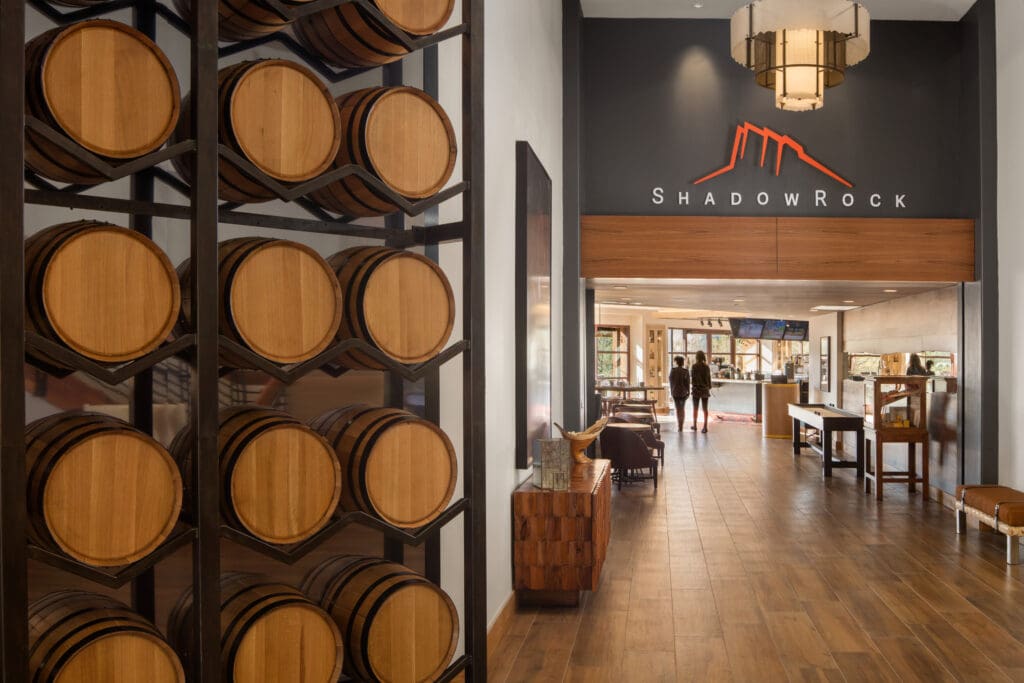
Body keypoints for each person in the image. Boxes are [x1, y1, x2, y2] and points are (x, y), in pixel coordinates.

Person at [690, 351, 712, 433]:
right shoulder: (706, 367)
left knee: (695, 408)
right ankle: (705, 427)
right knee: (705, 409)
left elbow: (693, 378)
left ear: (696, 357)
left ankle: (695, 425)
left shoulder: (694, 366)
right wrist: (709, 387)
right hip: (705, 390)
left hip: (696, 390)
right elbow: (709, 379)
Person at [668, 355, 690, 431]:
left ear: (676, 362)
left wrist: (671, 391)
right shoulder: (685, 371)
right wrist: (688, 392)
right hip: (683, 392)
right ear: (682, 362)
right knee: (682, 409)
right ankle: (681, 426)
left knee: (677, 409)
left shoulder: (673, 370)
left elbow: (670, 381)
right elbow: (687, 383)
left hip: (675, 392)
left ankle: (679, 427)